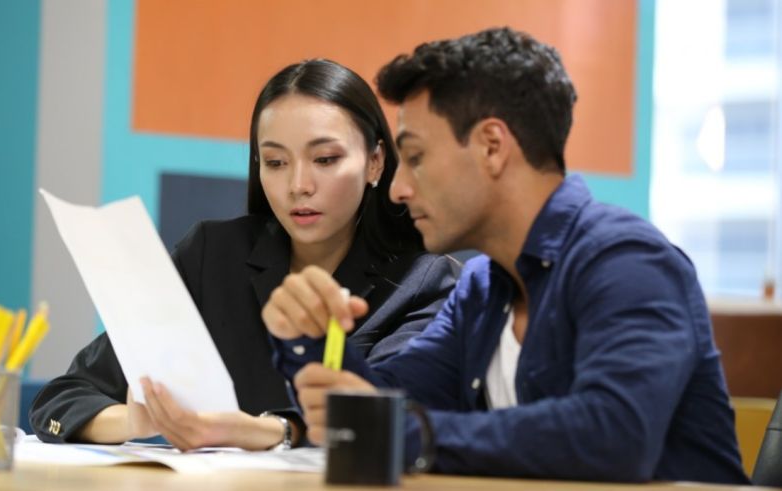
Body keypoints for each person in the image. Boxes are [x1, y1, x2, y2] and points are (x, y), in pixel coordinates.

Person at [262, 28, 749, 483]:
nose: (398, 189)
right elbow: (380, 408)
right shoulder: (482, 288)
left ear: (492, 146)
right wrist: (307, 334)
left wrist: (412, 434)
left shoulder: (628, 261)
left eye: (415, 157)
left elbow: (614, 436)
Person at [29, 59, 459, 451]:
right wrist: (135, 420)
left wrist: (261, 430)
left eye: (325, 159)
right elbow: (61, 399)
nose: (298, 185)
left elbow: (387, 416)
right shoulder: (211, 256)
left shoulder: (424, 281)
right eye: (275, 163)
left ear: (376, 162)